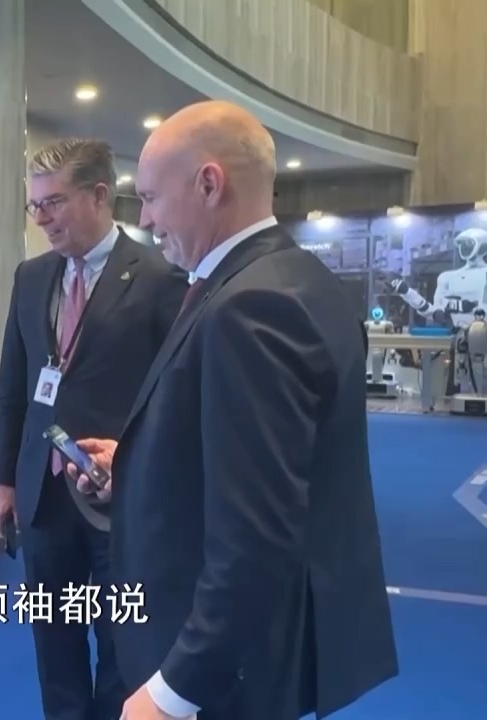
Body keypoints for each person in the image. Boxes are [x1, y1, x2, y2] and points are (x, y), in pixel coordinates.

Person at [68, 101, 398, 720]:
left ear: (209, 184)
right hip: (247, 655)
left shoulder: (249, 307)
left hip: (220, 674)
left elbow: (257, 536)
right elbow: (253, 464)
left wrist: (174, 691)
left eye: (151, 198)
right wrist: (137, 467)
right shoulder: (291, 278)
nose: (146, 219)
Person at [0, 139, 188, 720]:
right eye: (34, 206)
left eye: (53, 203)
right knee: (53, 643)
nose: (42, 218)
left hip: (119, 497)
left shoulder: (159, 278)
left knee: (123, 647)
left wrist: (140, 467)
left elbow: (175, 398)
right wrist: (2, 478)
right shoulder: (31, 277)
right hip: (43, 496)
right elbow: (14, 386)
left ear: (100, 195)